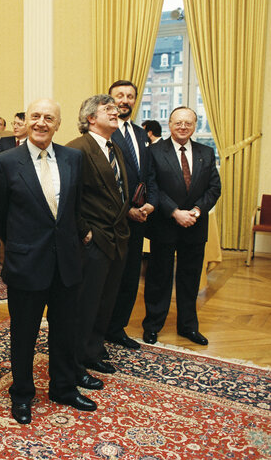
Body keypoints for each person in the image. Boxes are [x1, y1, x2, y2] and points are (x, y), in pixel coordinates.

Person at [0, 98, 96, 426]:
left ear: (58, 123)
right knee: (24, 335)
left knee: (65, 331)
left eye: (49, 117)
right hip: (26, 264)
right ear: (25, 120)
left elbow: (76, 207)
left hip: (66, 262)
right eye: (35, 116)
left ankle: (63, 387)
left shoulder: (73, 158)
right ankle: (22, 394)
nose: (41, 122)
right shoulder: (6, 162)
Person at [143, 106, 221, 346]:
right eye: (178, 122)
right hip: (165, 225)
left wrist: (196, 211)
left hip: (195, 226)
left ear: (195, 126)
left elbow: (214, 188)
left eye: (188, 123)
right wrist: (175, 212)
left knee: (190, 279)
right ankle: (153, 325)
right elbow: (152, 185)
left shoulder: (206, 153)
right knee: (159, 278)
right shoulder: (154, 152)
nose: (183, 127)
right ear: (169, 124)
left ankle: (188, 327)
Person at [67, 95, 130, 375]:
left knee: (105, 300)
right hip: (94, 239)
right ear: (91, 118)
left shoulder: (115, 147)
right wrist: (85, 232)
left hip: (117, 236)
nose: (115, 112)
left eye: (115, 109)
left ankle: (93, 350)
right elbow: (68, 198)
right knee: (86, 303)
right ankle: (76, 358)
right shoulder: (77, 149)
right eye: (108, 109)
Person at [106, 81, 158, 350]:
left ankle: (118, 328)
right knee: (110, 279)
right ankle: (101, 330)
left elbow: (148, 174)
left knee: (129, 278)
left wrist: (151, 204)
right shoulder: (104, 134)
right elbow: (103, 183)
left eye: (130, 96)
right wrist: (127, 210)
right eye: (120, 96)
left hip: (139, 220)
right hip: (113, 221)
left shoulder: (140, 134)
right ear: (110, 100)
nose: (125, 100)